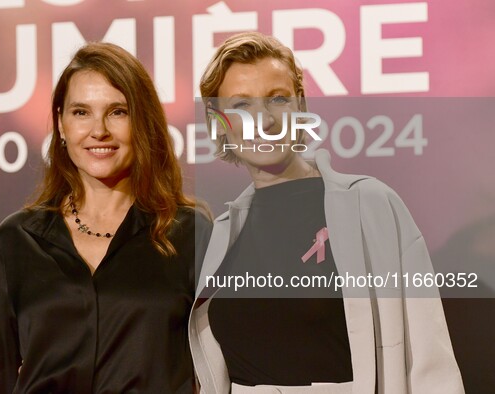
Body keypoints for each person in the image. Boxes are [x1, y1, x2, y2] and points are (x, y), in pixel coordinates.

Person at [188, 32, 464, 394]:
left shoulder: (372, 204)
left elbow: (431, 364)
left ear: (299, 107)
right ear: (219, 121)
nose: (264, 121)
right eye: (241, 106)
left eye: (278, 99)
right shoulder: (221, 234)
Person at [0, 42, 211, 393]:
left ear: (142, 122)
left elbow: (221, 366)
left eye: (117, 112)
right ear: (61, 124)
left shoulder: (190, 233)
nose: (98, 130)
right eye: (81, 112)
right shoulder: (15, 240)